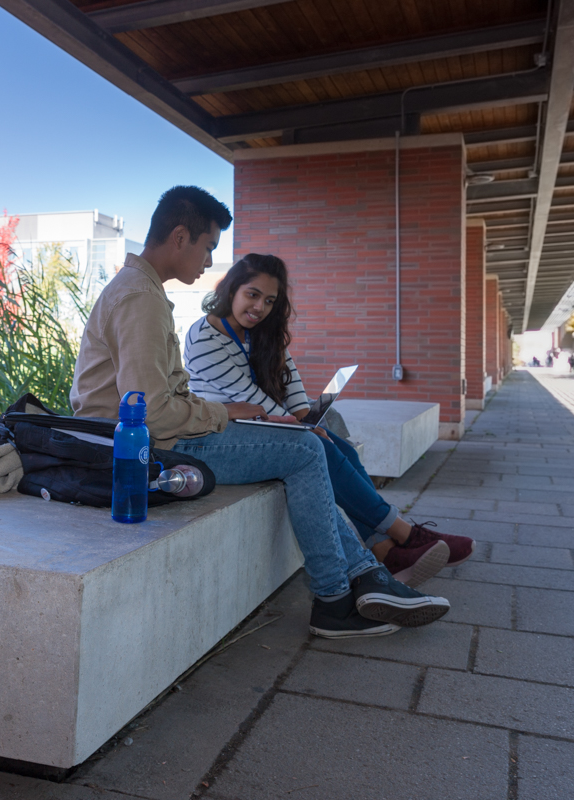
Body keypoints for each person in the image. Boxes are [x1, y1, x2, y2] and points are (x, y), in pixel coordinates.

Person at [71, 186, 450, 639]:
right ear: (179, 237)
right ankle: (338, 596)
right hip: (145, 452)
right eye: (208, 246)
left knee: (308, 447)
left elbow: (158, 400)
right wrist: (221, 415)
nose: (209, 262)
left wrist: (223, 413)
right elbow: (150, 412)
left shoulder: (140, 290)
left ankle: (367, 577)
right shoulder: (141, 299)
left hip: (153, 440)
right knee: (306, 451)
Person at [182, 253, 474, 588]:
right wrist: (300, 424)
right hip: (227, 432)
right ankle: (404, 533)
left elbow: (289, 381)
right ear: (231, 288)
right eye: (252, 294)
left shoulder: (261, 332)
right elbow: (250, 398)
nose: (260, 307)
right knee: (319, 444)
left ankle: (386, 551)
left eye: (269, 300)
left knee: (341, 448)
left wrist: (306, 414)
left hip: (261, 424)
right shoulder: (205, 335)